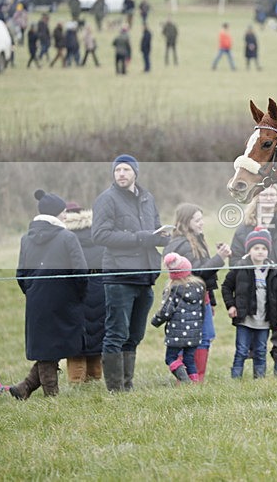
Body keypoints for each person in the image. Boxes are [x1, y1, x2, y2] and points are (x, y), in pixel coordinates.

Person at [92, 154, 169, 392]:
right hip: (120, 276)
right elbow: (100, 236)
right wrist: (140, 238)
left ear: (136, 172)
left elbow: (152, 230)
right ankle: (116, 389)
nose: (121, 174)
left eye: (126, 170)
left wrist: (162, 238)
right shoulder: (107, 199)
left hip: (145, 276)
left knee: (134, 334)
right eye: (117, 170)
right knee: (117, 333)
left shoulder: (147, 198)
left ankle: (128, 384)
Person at [11, 190, 88, 399]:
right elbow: (81, 272)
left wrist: (34, 292)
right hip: (65, 301)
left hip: (37, 301)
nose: (65, 216)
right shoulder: (67, 237)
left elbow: (21, 274)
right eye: (63, 212)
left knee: (49, 347)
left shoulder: (26, 239)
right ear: (56, 214)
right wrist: (78, 295)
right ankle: (51, 397)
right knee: (50, 349)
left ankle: (24, 388)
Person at [230, 186, 277, 375]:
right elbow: (235, 257)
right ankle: (256, 369)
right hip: (252, 290)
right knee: (253, 328)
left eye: (273, 194)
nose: (269, 198)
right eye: (265, 194)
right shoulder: (245, 227)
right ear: (257, 197)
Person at [163, 203, 231, 382]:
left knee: (205, 337)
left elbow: (205, 280)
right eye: (197, 220)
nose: (202, 223)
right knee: (192, 340)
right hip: (188, 302)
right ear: (186, 221)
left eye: (202, 219)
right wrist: (220, 258)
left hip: (203, 299)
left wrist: (212, 301)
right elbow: (198, 273)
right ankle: (188, 380)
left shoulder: (196, 239)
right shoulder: (182, 244)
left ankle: (196, 379)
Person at [221, 228, 277, 379]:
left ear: (268, 251)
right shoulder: (240, 267)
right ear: (249, 250)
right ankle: (235, 379)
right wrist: (231, 305)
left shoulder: (273, 272)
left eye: (264, 248)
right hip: (245, 319)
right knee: (241, 350)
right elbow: (226, 286)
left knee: (260, 350)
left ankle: (259, 379)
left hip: (264, 321)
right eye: (256, 248)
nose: (260, 252)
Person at [63, 201, 106, 384]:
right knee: (96, 336)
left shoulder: (64, 236)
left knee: (76, 343)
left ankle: (76, 382)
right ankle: (95, 378)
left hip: (74, 292)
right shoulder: (98, 234)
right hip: (99, 289)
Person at [151, 253, 205, 384]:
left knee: (170, 358)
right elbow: (203, 309)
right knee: (189, 359)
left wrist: (155, 321)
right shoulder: (199, 286)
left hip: (176, 333)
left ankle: (186, 382)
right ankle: (195, 385)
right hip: (194, 333)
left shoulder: (173, 288)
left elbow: (166, 311)